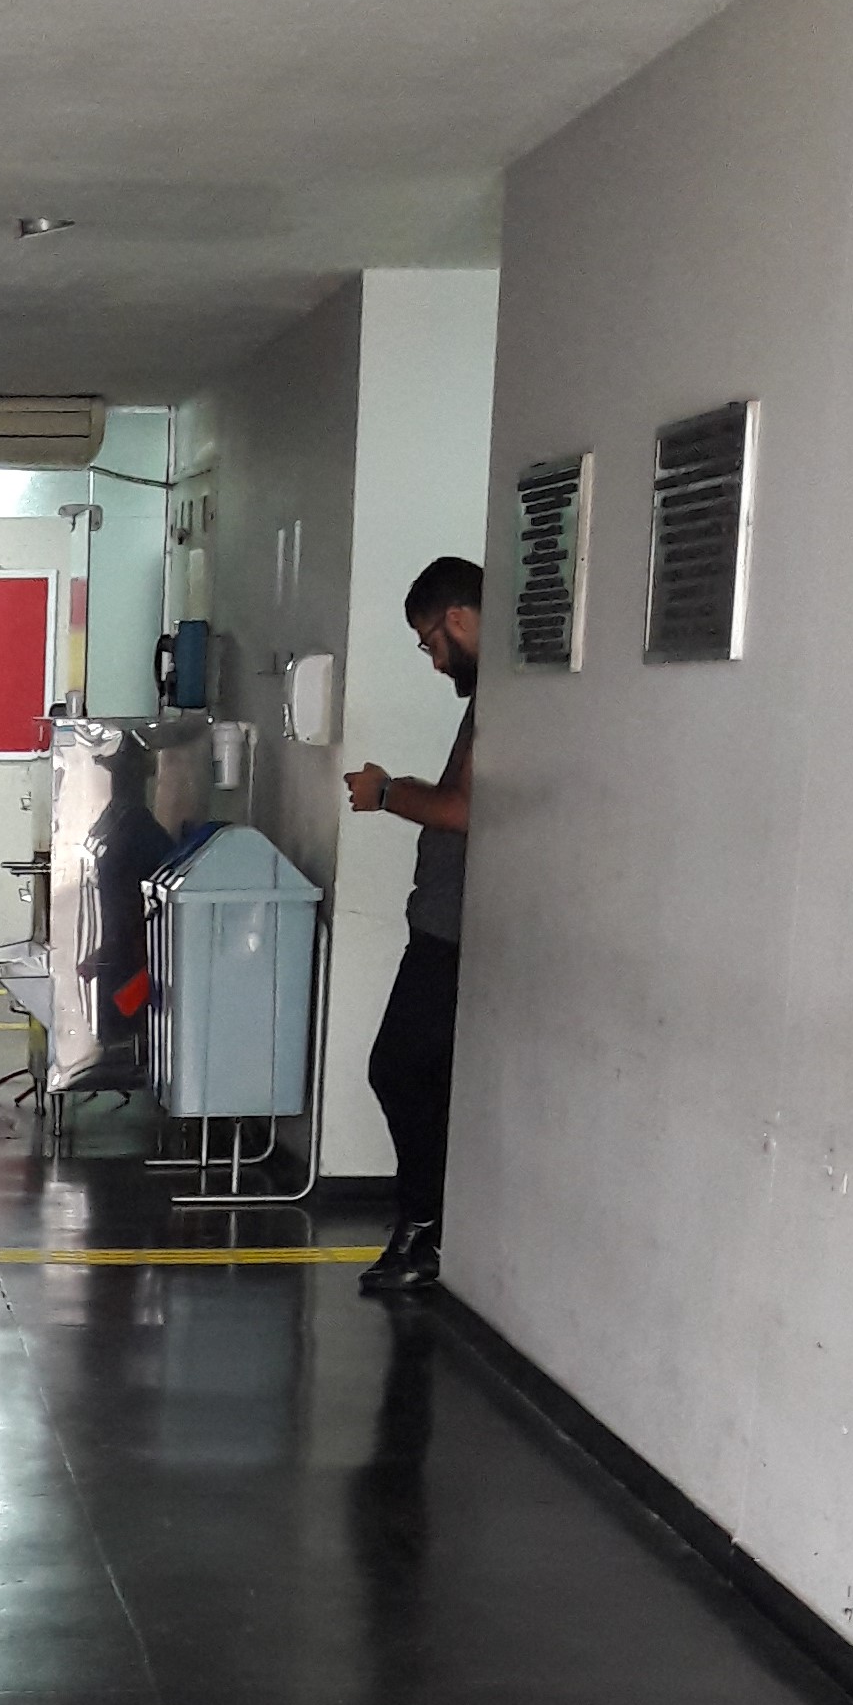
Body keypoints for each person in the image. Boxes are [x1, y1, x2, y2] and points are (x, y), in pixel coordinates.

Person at [345, 555, 481, 1297]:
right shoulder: (494, 698)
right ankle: (429, 1222)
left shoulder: (501, 701)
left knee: (398, 1068)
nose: (434, 661)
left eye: (431, 642)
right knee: (418, 1073)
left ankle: (425, 1224)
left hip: (452, 933)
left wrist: (387, 793)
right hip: (443, 922)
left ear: (456, 619)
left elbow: (462, 809)